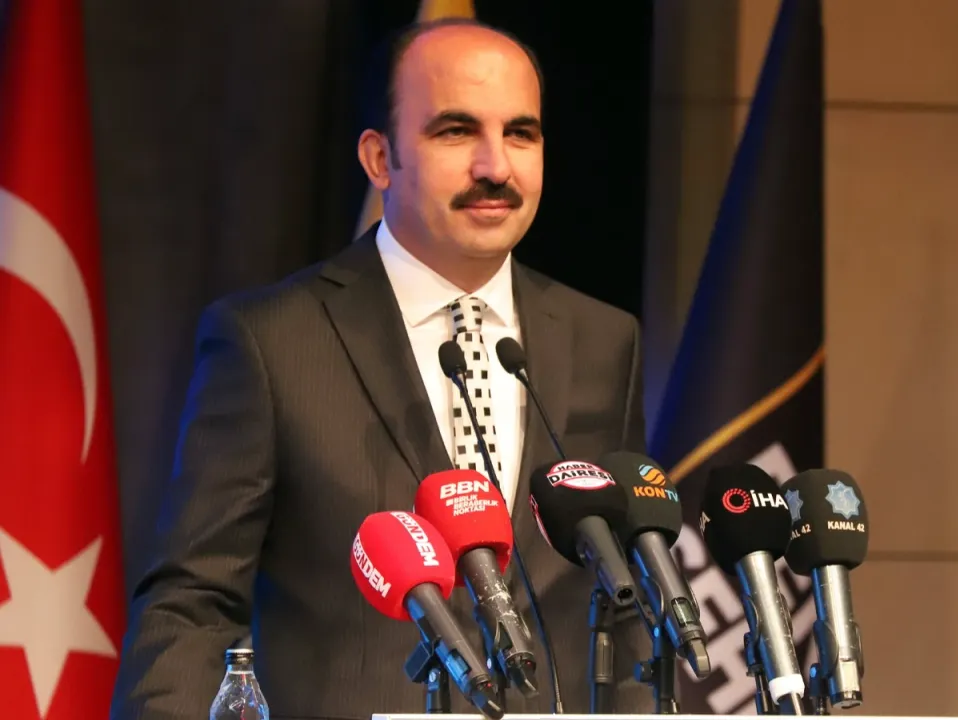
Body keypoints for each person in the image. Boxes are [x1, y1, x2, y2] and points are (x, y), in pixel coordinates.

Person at [111, 19, 652, 719]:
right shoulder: (271, 341)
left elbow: (625, 600)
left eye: (521, 133)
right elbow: (192, 601)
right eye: (456, 131)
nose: (496, 166)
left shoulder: (606, 340)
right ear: (379, 158)